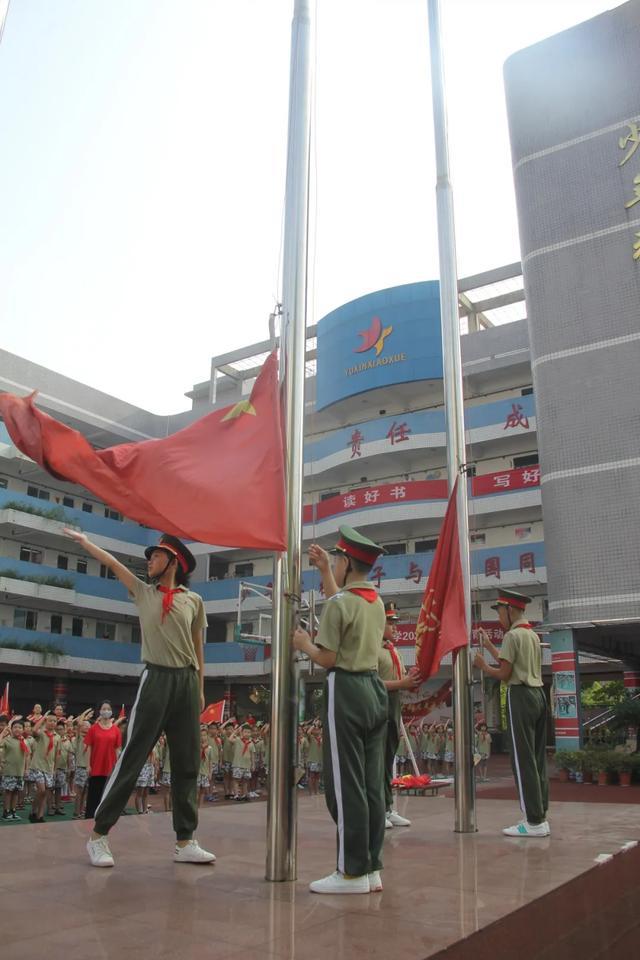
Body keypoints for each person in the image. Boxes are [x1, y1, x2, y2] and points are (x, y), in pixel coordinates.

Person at [64, 528, 215, 867]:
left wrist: (201, 687)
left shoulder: (194, 601)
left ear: (173, 561)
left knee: (188, 762)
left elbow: (198, 646)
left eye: (156, 556)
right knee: (133, 757)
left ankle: (185, 839)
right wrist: (88, 543)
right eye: (149, 557)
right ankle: (99, 835)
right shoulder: (143, 592)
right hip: (156, 678)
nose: (150, 561)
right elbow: (114, 563)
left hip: (187, 682)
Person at [293, 526, 388, 895]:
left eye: (335, 560)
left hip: (345, 689)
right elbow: (342, 604)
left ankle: (350, 871)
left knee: (344, 785)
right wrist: (324, 572)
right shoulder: (374, 602)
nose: (333, 563)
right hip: (374, 690)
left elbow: (328, 655)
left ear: (347, 562)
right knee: (371, 784)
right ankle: (370, 866)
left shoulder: (339, 605)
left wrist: (304, 643)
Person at [474, 589, 550, 838]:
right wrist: (489, 646)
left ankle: (533, 822)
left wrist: (483, 666)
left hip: (520, 696)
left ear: (511, 610)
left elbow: (504, 673)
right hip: (538, 695)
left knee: (522, 759)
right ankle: (539, 815)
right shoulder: (530, 635)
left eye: (500, 612)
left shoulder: (512, 636)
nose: (499, 619)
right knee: (537, 759)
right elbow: (510, 662)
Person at [377, 602, 420, 829]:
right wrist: (402, 682)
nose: (395, 627)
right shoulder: (372, 649)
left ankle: (387, 807)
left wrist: (410, 678)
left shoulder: (393, 650)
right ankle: (377, 811)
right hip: (379, 708)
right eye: (390, 623)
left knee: (387, 760)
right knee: (377, 762)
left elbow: (401, 678)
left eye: (395, 623)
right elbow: (371, 683)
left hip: (393, 708)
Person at [84, 702, 123, 819]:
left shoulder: (116, 730)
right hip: (96, 766)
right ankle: (90, 817)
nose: (106, 711)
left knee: (107, 795)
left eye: (108, 709)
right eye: (104, 709)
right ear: (99, 711)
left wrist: (118, 766)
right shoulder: (93, 729)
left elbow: (118, 749)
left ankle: (105, 817)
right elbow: (88, 747)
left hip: (110, 767)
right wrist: (88, 765)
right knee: (93, 795)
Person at [0, 717, 29, 820]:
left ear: (23, 729)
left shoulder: (24, 741)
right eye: (15, 727)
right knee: (8, 792)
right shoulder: (7, 740)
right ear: (11, 729)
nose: (17, 729)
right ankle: (6, 812)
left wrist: (26, 769)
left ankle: (13, 811)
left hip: (19, 772)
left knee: (16, 792)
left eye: (20, 727)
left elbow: (26, 756)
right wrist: (3, 734)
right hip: (9, 771)